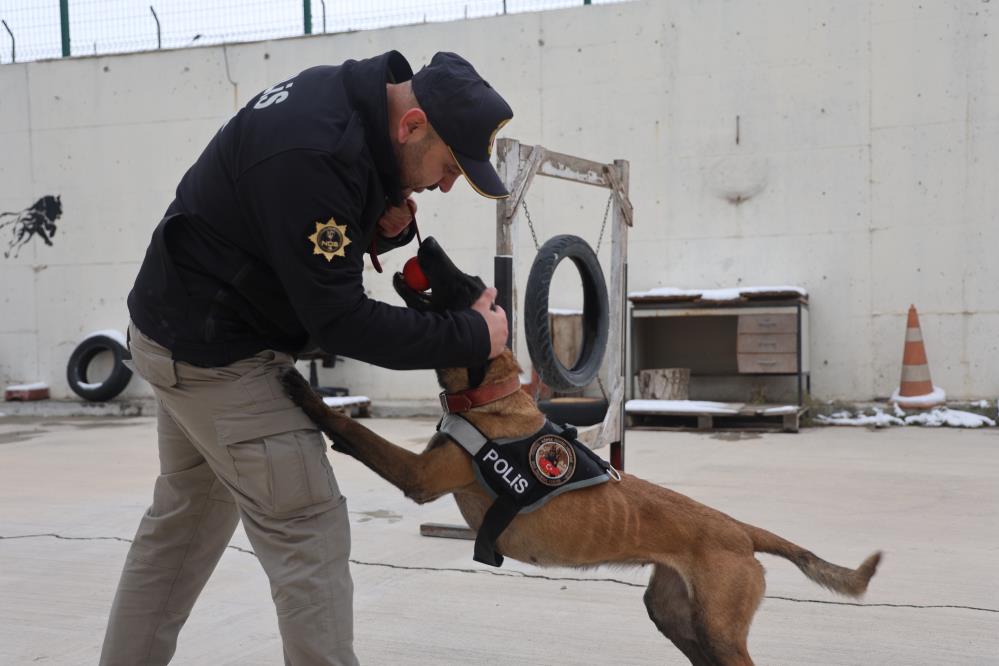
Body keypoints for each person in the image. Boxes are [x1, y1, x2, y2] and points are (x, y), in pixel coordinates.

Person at [99, 50, 512, 666]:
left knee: (180, 532)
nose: (447, 184)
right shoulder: (317, 156)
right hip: (221, 358)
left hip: (178, 335)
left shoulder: (343, 103)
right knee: (309, 534)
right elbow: (341, 321)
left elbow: (291, 232)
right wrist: (475, 337)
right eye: (451, 166)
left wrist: (382, 224)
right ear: (412, 124)